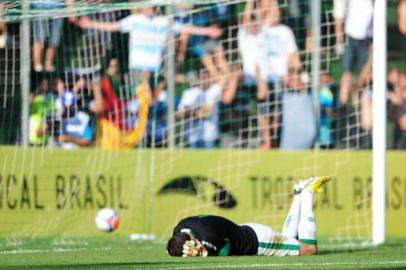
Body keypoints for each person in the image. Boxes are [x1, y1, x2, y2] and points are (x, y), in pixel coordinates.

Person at [167, 176, 332, 257]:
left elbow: (225, 253)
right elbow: (173, 244)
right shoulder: (180, 227)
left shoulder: (207, 236)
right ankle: (299, 191)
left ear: (191, 241)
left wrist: (204, 253)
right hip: (247, 230)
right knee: (288, 238)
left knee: (309, 250)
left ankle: (308, 191)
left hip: (259, 242)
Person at [333, 0, 373, 106]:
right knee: (346, 74)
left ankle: (358, 110)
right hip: (350, 35)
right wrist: (339, 38)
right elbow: (339, 9)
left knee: (364, 77)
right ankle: (343, 107)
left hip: (368, 38)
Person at [31, 0, 65, 72]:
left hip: (57, 8)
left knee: (54, 39)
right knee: (39, 38)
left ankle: (48, 66)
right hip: (39, 6)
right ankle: (37, 66)